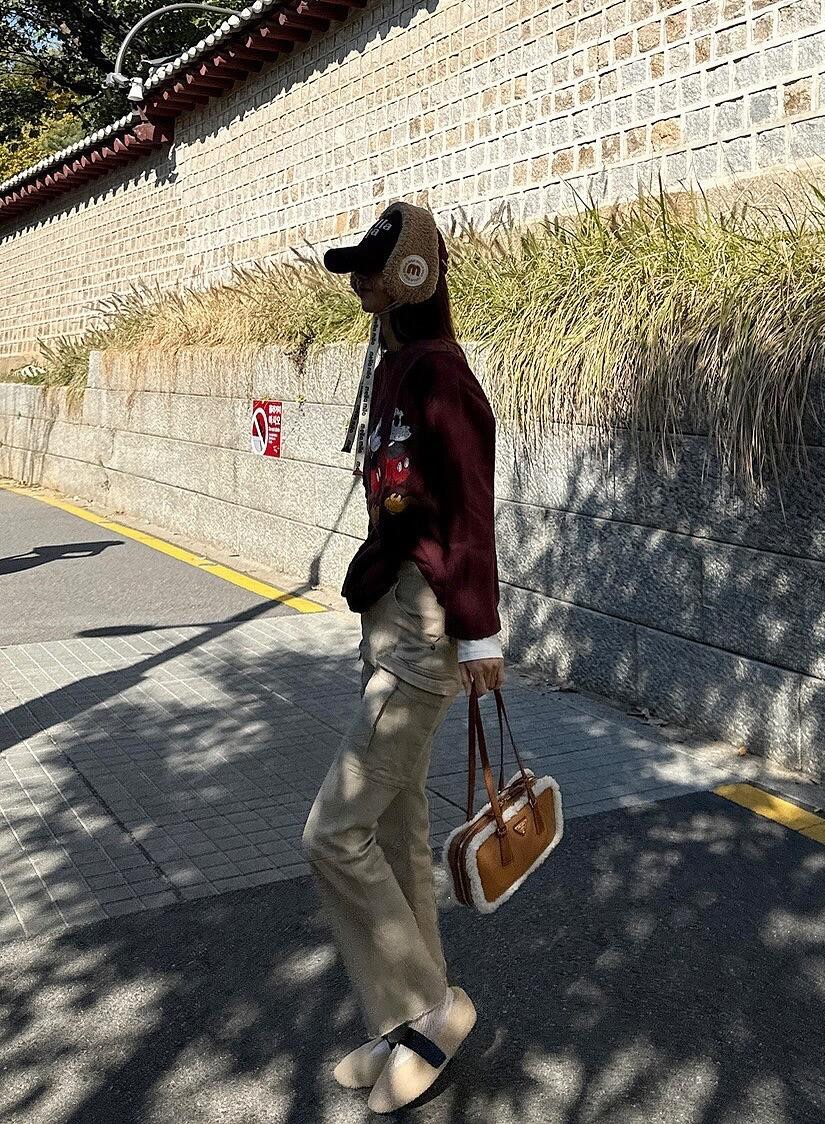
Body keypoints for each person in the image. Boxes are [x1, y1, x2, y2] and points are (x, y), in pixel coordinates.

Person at [301, 201, 504, 1114]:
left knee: (331, 833)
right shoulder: (393, 368)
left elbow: (468, 511)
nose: (359, 283)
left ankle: (429, 1009)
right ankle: (406, 1026)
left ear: (413, 274)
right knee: (395, 831)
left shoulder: (441, 378)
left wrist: (480, 632)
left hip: (423, 628)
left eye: (373, 269)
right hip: (386, 616)